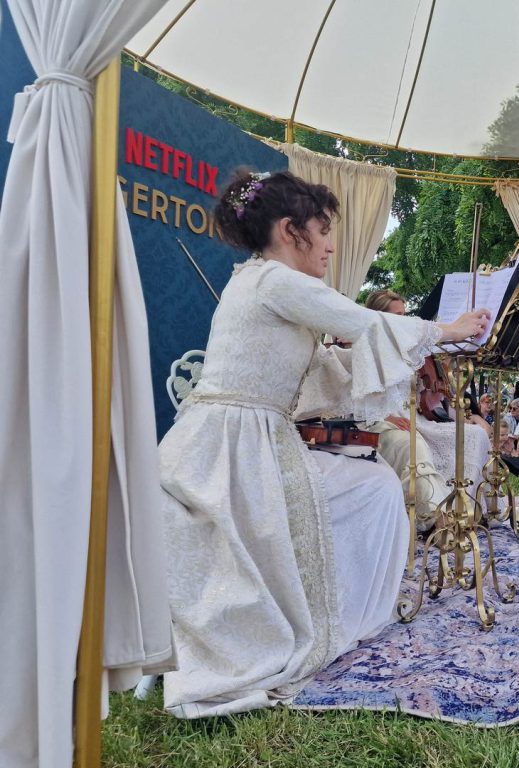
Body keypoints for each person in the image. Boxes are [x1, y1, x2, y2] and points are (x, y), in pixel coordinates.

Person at [158, 171, 489, 716]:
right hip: (234, 453)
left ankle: (332, 606)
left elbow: (315, 371)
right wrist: (448, 330)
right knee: (378, 488)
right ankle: (338, 615)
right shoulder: (277, 282)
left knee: (376, 484)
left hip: (234, 441)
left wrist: (388, 357)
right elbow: (362, 323)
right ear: (291, 231)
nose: (331, 244)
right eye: (323, 229)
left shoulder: (260, 281)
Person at [363, 289, 493, 534]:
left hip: (416, 417)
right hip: (382, 419)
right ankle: (434, 515)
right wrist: (388, 417)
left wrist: (468, 417)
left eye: (405, 314)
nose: (405, 321)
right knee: (414, 445)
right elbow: (360, 399)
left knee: (473, 435)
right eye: (397, 316)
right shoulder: (367, 348)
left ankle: (467, 507)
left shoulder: (411, 348)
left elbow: (436, 396)